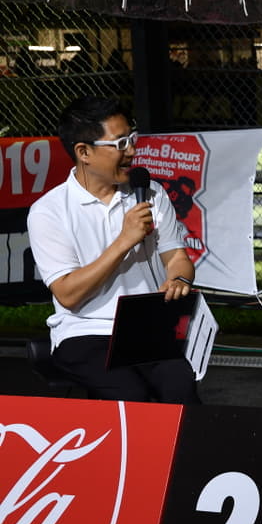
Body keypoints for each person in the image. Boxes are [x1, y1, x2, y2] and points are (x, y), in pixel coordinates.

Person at [27, 96, 199, 403]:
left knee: (179, 386)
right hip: (84, 332)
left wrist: (179, 280)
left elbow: (177, 257)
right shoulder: (49, 211)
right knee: (130, 394)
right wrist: (123, 241)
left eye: (132, 139)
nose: (131, 151)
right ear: (84, 152)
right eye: (120, 144)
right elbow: (68, 294)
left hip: (145, 327)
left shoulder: (151, 193)